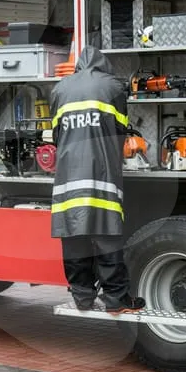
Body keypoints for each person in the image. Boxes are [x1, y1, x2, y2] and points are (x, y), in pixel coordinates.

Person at [49, 46, 146, 314]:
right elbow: (120, 131)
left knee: (74, 236)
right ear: (105, 65)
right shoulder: (113, 87)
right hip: (101, 175)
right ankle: (116, 300)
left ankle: (82, 297)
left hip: (68, 175)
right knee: (107, 236)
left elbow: (56, 135)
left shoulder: (60, 89)